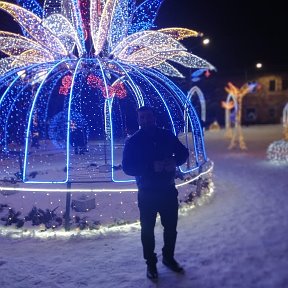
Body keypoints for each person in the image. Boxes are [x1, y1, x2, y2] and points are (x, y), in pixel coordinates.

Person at [122, 106, 189, 280]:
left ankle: (168, 257)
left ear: (154, 117)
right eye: (142, 117)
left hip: (167, 190)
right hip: (147, 192)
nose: (146, 120)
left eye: (148, 116)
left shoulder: (166, 135)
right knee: (147, 231)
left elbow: (183, 153)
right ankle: (150, 264)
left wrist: (174, 160)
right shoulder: (133, 141)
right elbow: (127, 167)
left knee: (171, 229)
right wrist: (150, 167)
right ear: (138, 120)